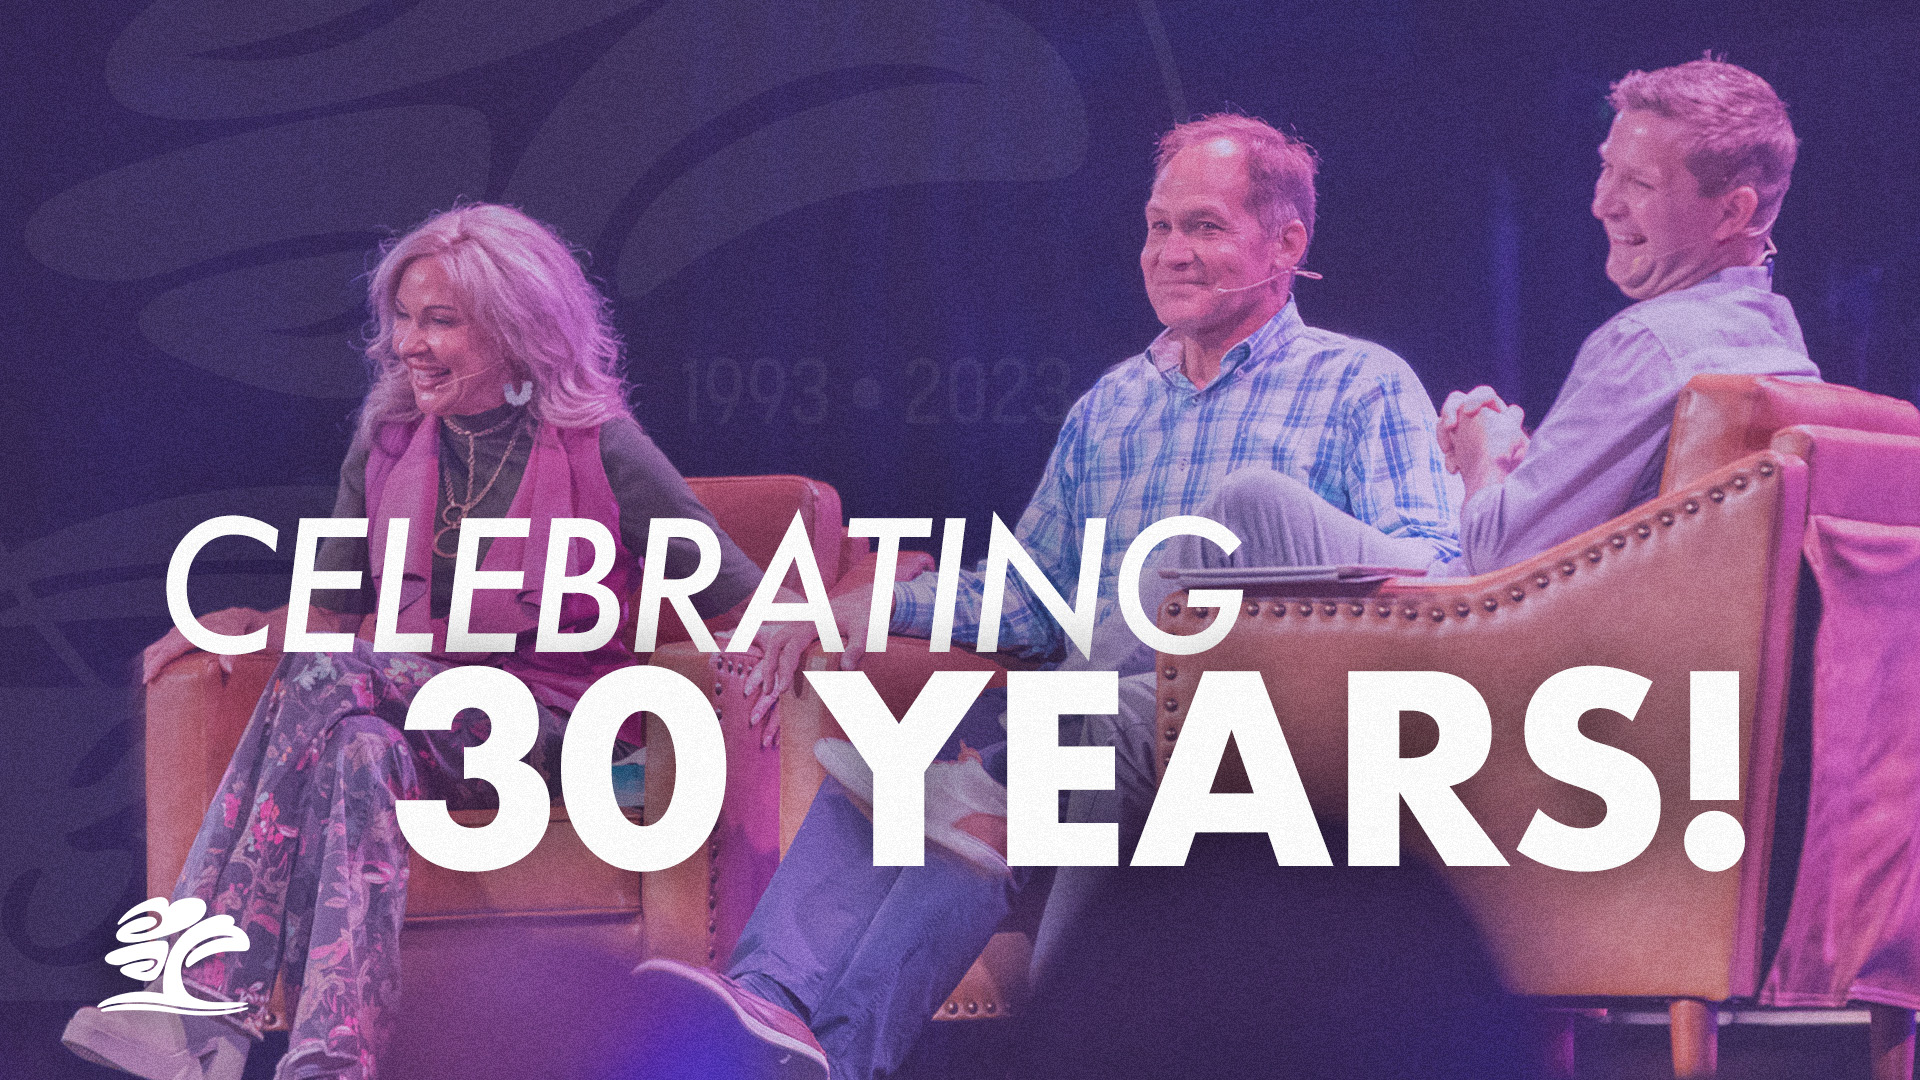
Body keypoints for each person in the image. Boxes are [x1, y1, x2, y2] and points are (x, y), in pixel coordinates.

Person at [632, 113, 1461, 1080]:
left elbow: (1428, 582)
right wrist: (866, 605)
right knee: (935, 756)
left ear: (1286, 244)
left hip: (1250, 730)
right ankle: (768, 1014)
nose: (1171, 252)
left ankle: (846, 1038)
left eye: (1203, 226)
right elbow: (1030, 599)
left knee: (1035, 742)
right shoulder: (1111, 408)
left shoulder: (1360, 387)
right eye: (1157, 227)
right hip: (1090, 732)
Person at [63, 203, 764, 1080]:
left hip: (557, 733)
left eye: (440, 321)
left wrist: (830, 617)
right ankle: (329, 1059)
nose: (407, 344)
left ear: (516, 328)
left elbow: (744, 595)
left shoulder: (604, 448)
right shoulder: (388, 444)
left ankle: (197, 1001)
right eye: (401, 317)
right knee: (359, 750)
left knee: (331, 684)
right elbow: (329, 617)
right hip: (416, 718)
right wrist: (247, 623)